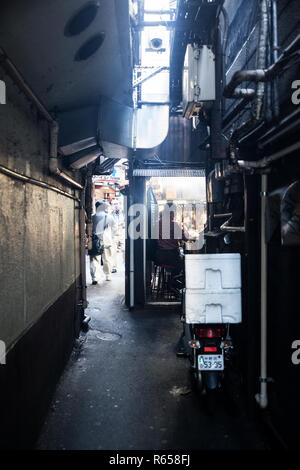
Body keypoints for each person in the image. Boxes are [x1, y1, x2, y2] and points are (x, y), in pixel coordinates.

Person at [154, 202, 189, 275]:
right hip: (172, 256)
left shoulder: (157, 224)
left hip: (158, 256)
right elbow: (186, 238)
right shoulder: (174, 225)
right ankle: (174, 281)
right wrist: (184, 228)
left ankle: (170, 280)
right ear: (172, 212)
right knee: (186, 262)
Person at [90, 200, 116, 284]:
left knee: (94, 259)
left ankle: (95, 278)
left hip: (94, 240)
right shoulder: (109, 216)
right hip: (106, 240)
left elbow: (87, 228)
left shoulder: (92, 217)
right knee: (107, 258)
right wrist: (111, 236)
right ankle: (108, 276)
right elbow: (114, 228)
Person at [111, 204, 125, 273]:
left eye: (117, 205)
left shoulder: (123, 213)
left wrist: (123, 224)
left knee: (124, 249)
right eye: (115, 205)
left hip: (122, 232)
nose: (116, 207)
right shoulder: (110, 214)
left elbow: (127, 221)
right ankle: (114, 267)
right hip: (114, 234)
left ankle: (126, 265)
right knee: (113, 251)